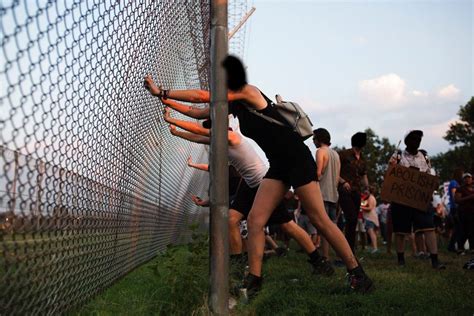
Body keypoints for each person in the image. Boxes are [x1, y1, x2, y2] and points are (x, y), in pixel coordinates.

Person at [144, 55, 373, 297]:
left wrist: (164, 91)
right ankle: (254, 280)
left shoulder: (247, 91)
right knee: (254, 220)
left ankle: (357, 273)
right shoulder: (234, 106)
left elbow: (202, 98)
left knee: (319, 219)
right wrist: (164, 100)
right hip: (278, 165)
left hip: (296, 157)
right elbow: (198, 111)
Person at [162, 105, 335, 280]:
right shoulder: (218, 139)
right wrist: (176, 132)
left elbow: (199, 131)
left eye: (211, 126)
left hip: (263, 182)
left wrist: (172, 120)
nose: (209, 130)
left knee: (286, 225)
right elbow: (197, 137)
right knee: (231, 219)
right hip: (248, 184)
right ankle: (238, 264)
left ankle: (318, 260)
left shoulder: (231, 136)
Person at [388, 130, 445, 269]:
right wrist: (392, 166)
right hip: (401, 199)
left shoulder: (424, 156)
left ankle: (435, 260)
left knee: (429, 227)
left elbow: (429, 175)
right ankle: (401, 260)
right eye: (413, 138)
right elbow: (391, 174)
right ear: (407, 141)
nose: (416, 141)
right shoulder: (398, 155)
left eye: (419, 139)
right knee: (401, 230)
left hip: (421, 199)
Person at [338, 132, 370, 253]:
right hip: (344, 190)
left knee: (353, 220)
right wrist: (342, 182)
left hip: (357, 192)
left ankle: (350, 249)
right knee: (350, 218)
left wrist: (367, 188)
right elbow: (335, 171)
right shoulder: (344, 154)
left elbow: (364, 176)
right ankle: (344, 250)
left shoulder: (362, 159)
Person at [313, 128, 340, 260]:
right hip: (334, 194)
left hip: (322, 193)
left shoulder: (320, 152)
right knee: (333, 227)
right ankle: (341, 254)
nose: (313, 141)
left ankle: (325, 256)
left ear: (319, 139)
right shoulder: (335, 154)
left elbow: (318, 173)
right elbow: (337, 176)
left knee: (324, 229)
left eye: (314, 138)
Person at [455, 173, 474, 253]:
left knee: (472, 231)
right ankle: (460, 248)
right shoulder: (460, 189)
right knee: (463, 230)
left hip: (472, 213)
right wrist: (469, 197)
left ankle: (472, 248)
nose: (467, 179)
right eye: (465, 178)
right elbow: (457, 200)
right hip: (463, 213)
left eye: (469, 178)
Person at [361, 186, 379, 253]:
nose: (365, 192)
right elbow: (363, 204)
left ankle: (375, 248)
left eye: (366, 191)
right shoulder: (369, 198)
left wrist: (360, 207)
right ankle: (374, 247)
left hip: (370, 217)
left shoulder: (371, 198)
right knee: (372, 233)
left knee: (371, 233)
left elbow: (370, 208)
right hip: (371, 217)